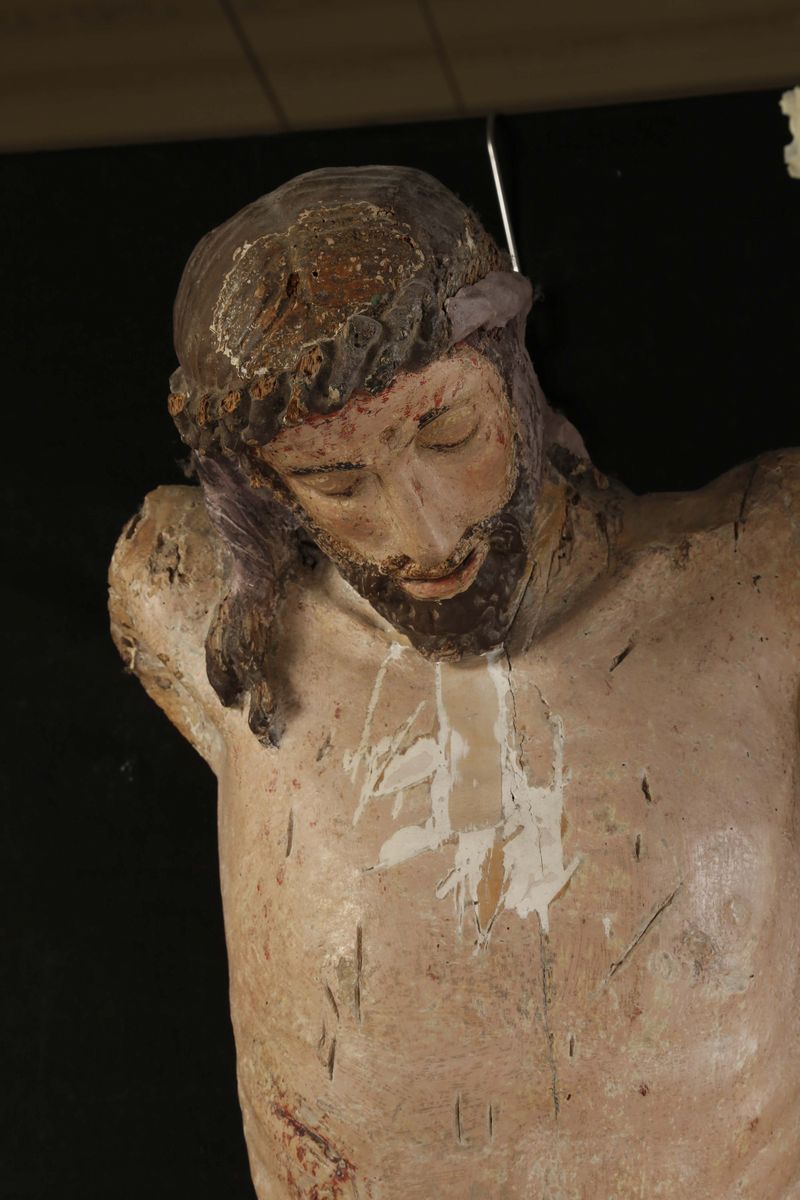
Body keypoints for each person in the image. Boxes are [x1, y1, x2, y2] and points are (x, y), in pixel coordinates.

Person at [109, 166, 799, 1199]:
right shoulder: (187, 597)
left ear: (510, 368)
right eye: (336, 480)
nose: (423, 532)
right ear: (261, 488)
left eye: (446, 433)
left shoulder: (756, 577)